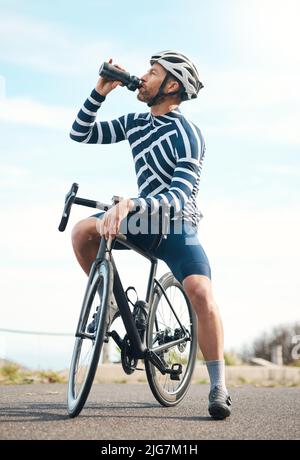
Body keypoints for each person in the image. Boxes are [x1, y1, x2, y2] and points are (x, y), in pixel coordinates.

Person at [70, 50, 232, 420]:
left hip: (177, 225)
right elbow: (80, 133)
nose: (143, 76)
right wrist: (100, 91)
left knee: (201, 292)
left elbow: (178, 195)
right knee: (83, 233)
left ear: (171, 85)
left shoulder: (188, 134)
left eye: (152, 72)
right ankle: (111, 302)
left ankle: (218, 384)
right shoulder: (134, 123)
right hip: (141, 220)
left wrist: (130, 203)